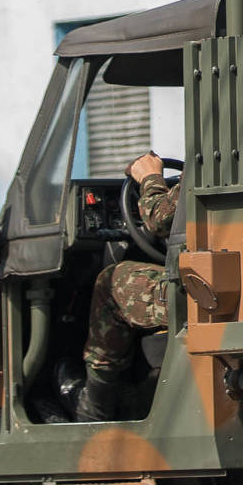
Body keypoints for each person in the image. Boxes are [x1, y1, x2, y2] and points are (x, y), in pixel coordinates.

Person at [77, 151, 179, 423]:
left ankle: (95, 408)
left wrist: (149, 177)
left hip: (208, 291)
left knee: (111, 282)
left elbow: (159, 217)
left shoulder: (221, 164)